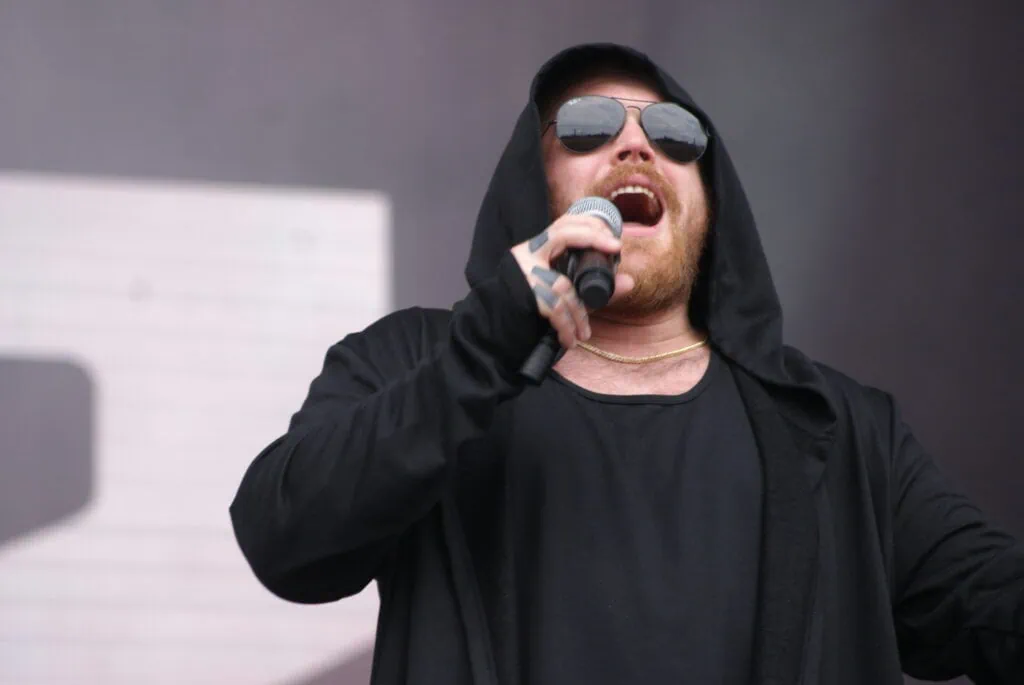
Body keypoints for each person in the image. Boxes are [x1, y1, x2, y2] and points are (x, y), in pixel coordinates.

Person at [229, 43, 1024, 684]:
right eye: (588, 127)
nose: (638, 145)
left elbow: (990, 603)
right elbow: (282, 534)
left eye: (676, 134)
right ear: (531, 179)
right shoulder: (417, 360)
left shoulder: (840, 427)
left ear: (710, 198)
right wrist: (484, 347)